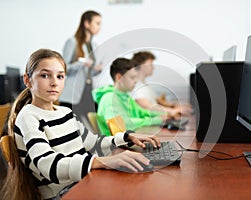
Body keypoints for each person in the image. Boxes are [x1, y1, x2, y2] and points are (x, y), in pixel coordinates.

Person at [0, 49, 160, 200]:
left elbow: (94, 143)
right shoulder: (28, 116)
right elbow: (48, 165)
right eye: (45, 76)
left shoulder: (65, 113)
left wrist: (127, 137)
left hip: (81, 182)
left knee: (137, 186)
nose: (54, 83)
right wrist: (103, 162)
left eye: (60, 76)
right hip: (61, 193)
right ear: (27, 80)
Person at [92, 58, 172, 136]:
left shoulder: (125, 96)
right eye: (132, 77)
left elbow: (142, 112)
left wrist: (164, 114)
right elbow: (124, 125)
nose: (136, 81)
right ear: (119, 77)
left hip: (130, 140)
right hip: (117, 147)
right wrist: (156, 120)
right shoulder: (109, 99)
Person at [59, 10, 103, 120]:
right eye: (97, 23)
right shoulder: (72, 42)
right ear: (87, 23)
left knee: (94, 123)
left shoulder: (93, 44)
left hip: (88, 90)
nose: (99, 27)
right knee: (72, 127)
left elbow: (89, 72)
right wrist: (81, 63)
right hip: (73, 94)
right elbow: (64, 69)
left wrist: (96, 69)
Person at [131, 51, 192, 116]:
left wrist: (175, 106)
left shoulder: (144, 84)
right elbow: (147, 106)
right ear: (142, 66)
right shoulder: (135, 85)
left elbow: (158, 100)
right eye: (151, 64)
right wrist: (172, 111)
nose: (153, 67)